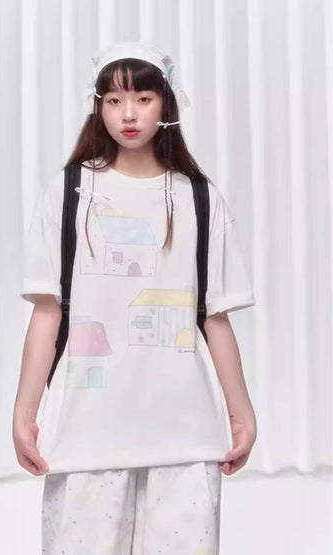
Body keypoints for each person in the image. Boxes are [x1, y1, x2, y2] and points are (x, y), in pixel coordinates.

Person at [13, 41, 257, 554]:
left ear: (166, 103)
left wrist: (241, 415)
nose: (128, 114)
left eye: (143, 98)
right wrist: (25, 411)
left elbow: (214, 316)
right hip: (86, 431)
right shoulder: (69, 192)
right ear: (98, 106)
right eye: (114, 100)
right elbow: (48, 312)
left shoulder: (199, 197)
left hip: (184, 431)